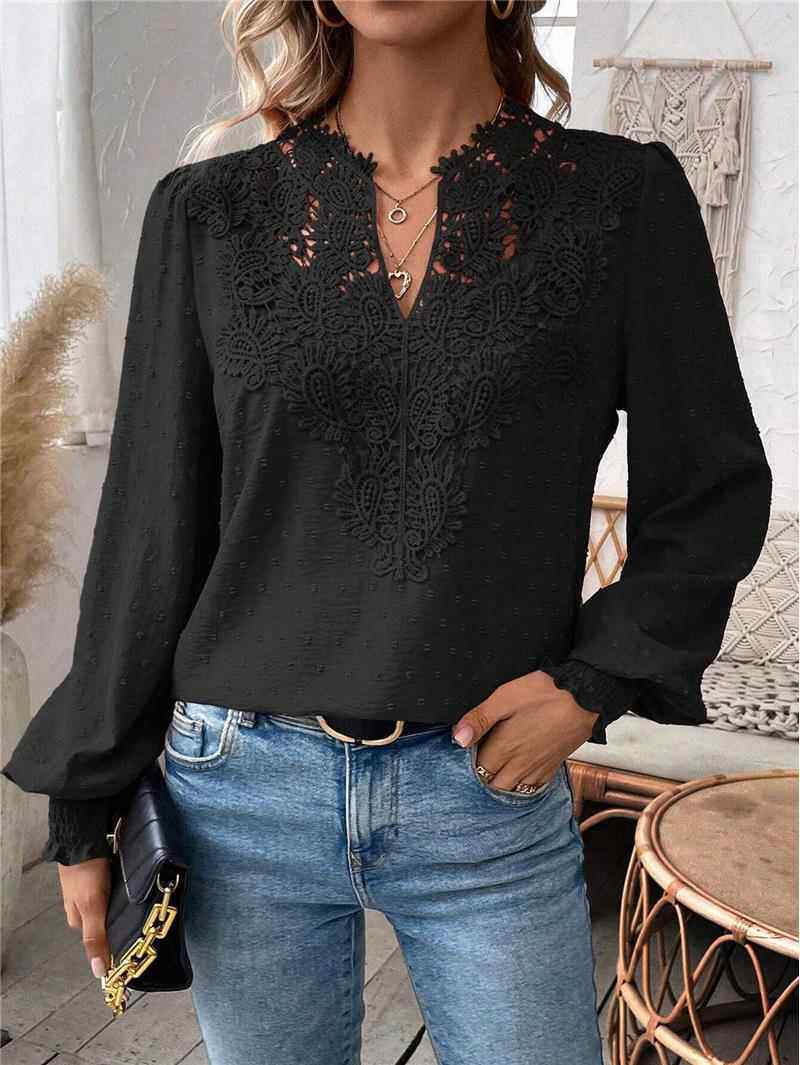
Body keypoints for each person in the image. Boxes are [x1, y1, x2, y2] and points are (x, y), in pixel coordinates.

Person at [2, 2, 773, 1063]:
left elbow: (712, 489)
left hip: (484, 794)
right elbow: (147, 530)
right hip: (237, 790)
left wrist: (592, 683)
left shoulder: (618, 201)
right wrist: (86, 799)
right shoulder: (209, 213)